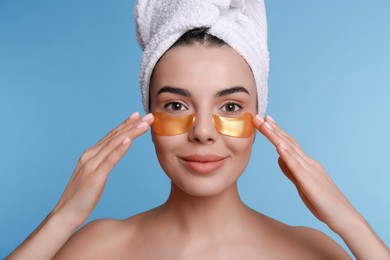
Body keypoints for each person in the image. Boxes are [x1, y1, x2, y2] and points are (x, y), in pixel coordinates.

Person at [7, 1, 389, 259]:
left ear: (259, 118)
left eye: (231, 107)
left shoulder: (310, 250)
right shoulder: (99, 247)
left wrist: (347, 220)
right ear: (149, 116)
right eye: (176, 105)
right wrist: (64, 217)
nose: (203, 131)